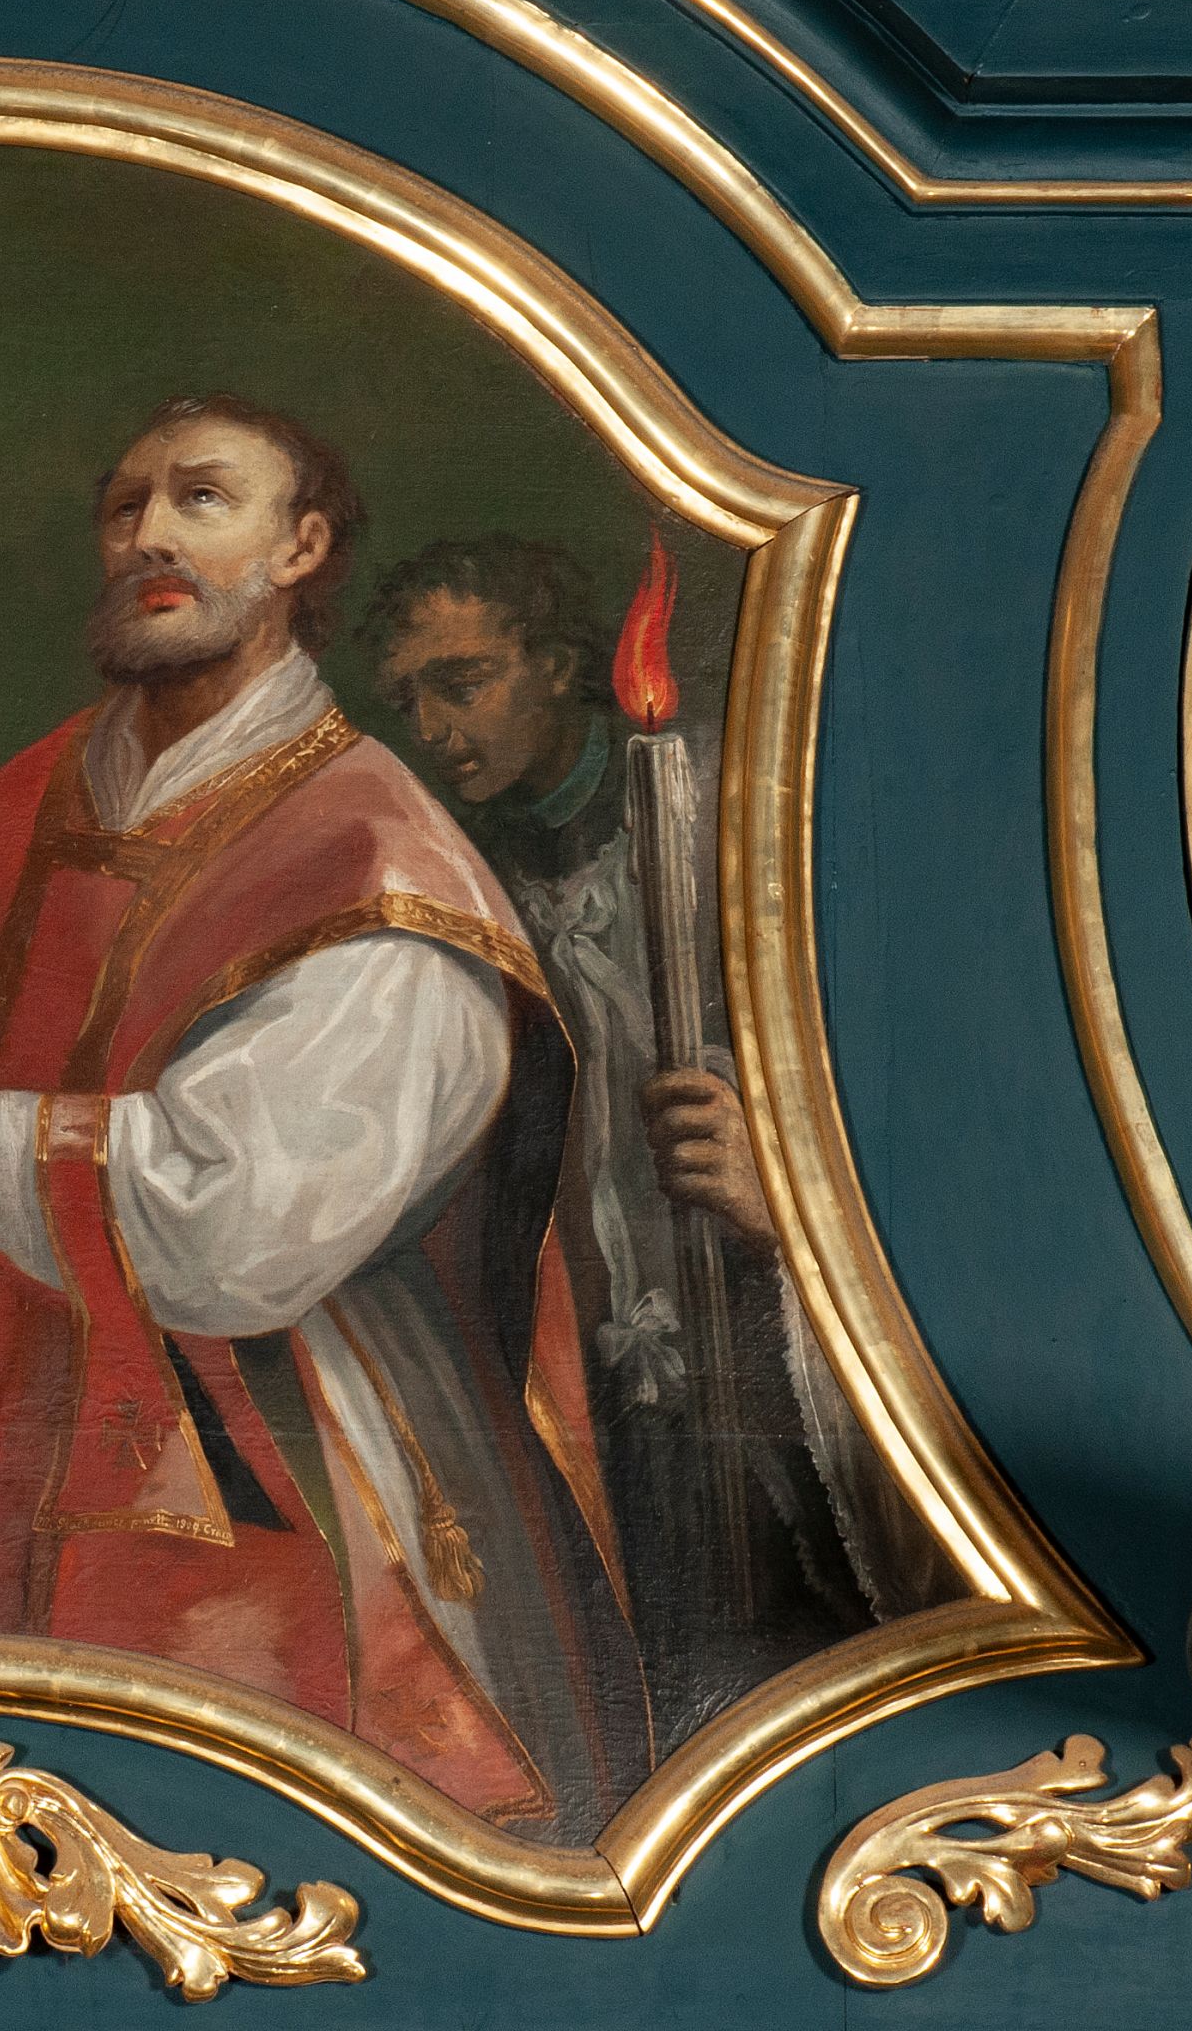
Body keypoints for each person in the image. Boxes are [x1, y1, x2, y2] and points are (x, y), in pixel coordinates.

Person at [0, 392, 650, 1839]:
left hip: (282, 1480)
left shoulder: (378, 858)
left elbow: (242, 1226)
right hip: (4, 1405)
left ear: (302, 547)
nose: (148, 537)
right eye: (125, 507)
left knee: (225, 1845)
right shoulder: (49, 786)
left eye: (202, 498)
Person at [359, 533, 944, 1725]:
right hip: (598, 1372)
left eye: (462, 681)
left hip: (775, 1343)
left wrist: (790, 1182)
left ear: (557, 661)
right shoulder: (455, 880)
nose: (434, 727)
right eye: (409, 699)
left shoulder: (743, 817)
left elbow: (909, 1068)